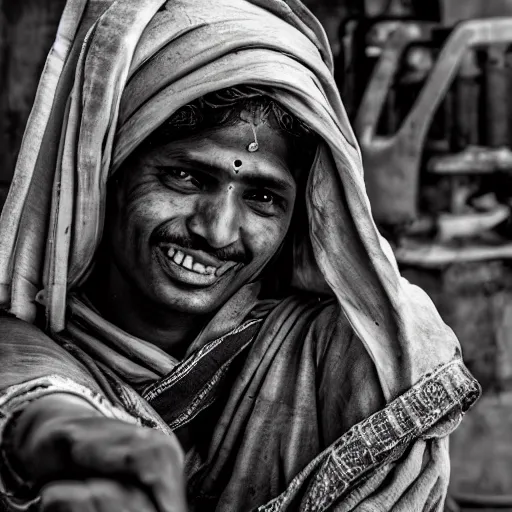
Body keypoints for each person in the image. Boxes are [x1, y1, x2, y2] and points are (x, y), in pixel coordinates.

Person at [0, 0, 480, 511]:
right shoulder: (29, 350)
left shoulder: (348, 357)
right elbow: (30, 387)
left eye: (263, 197)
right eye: (186, 176)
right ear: (106, 174)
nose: (217, 230)